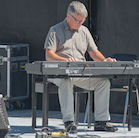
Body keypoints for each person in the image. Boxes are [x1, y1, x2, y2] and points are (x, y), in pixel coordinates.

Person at [44, 1, 118, 133]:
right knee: (66, 80)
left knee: (103, 82)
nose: (80, 24)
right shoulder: (55, 30)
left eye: (82, 21)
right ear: (68, 16)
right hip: (58, 73)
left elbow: (93, 52)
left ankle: (101, 121)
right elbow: (49, 55)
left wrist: (104, 60)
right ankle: (69, 122)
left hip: (79, 73)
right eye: (78, 20)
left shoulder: (84, 31)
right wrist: (66, 61)